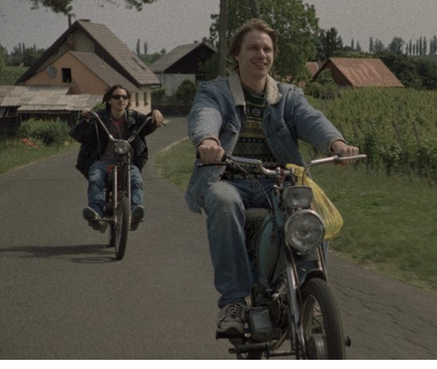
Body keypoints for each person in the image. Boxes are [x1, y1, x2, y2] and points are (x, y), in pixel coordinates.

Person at [185, 19, 359, 336]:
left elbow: (311, 119)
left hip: (278, 182)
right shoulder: (215, 92)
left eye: (267, 49)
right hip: (230, 180)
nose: (261, 54)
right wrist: (208, 140)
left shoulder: (288, 96)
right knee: (222, 202)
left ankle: (308, 294)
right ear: (236, 54)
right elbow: (204, 116)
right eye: (253, 48)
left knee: (310, 211)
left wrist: (336, 143)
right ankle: (233, 302)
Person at [70, 85, 164, 232]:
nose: (121, 100)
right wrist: (85, 120)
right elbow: (79, 135)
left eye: (124, 97)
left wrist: (155, 113)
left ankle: (135, 212)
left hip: (128, 161)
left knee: (136, 180)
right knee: (95, 179)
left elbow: (148, 123)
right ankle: (96, 214)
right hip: (102, 161)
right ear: (109, 100)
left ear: (128, 100)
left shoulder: (134, 117)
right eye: (116, 97)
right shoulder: (99, 117)